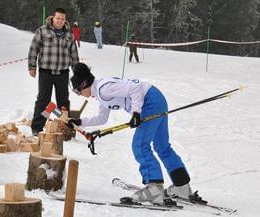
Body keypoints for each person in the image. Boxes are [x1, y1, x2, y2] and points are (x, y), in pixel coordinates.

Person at [67, 63, 194, 205]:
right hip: (156, 99)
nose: (80, 95)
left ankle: (154, 189)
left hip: (149, 102)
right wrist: (79, 121)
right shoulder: (101, 93)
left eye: (78, 92)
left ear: (83, 84)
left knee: (140, 146)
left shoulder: (104, 89)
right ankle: (181, 186)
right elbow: (101, 119)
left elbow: (135, 88)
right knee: (162, 146)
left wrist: (136, 113)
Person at [28, 8, 79, 136]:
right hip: (46, 72)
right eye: (58, 18)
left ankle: (64, 127)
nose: (60, 21)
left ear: (65, 20)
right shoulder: (42, 31)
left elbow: (74, 55)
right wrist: (32, 67)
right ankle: (37, 127)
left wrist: (77, 73)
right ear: (53, 18)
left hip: (63, 73)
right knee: (43, 101)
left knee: (63, 101)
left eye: (62, 19)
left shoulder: (69, 35)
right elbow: (34, 49)